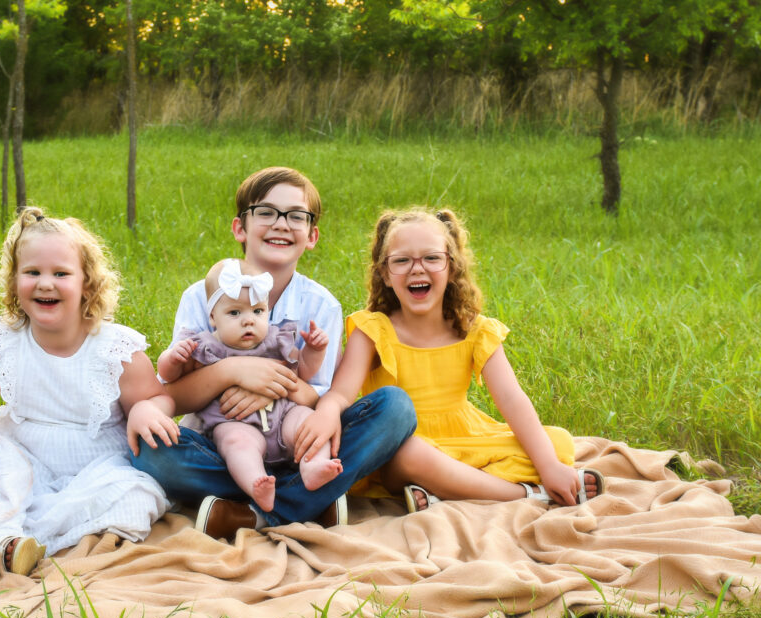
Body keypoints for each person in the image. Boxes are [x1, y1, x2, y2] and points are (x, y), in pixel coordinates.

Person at [129, 166, 416, 540]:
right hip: (225, 446)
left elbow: (318, 400)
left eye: (296, 216)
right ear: (240, 228)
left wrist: (273, 385)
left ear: (311, 236)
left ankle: (251, 513)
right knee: (150, 450)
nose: (281, 224)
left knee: (395, 408)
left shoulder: (319, 305)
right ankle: (309, 500)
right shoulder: (200, 296)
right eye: (266, 212)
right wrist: (231, 372)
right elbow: (173, 396)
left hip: (297, 440)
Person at [0, 207, 178, 575]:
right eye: (32, 272)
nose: (45, 283)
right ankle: (9, 542)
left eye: (61, 273)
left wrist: (145, 410)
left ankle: (80, 540)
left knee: (133, 494)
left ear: (87, 282)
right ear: (14, 281)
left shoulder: (114, 349)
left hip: (96, 464)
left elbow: (157, 397)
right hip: (24, 454)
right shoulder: (3, 340)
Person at [295, 207, 606, 512]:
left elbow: (512, 399)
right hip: (404, 448)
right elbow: (342, 392)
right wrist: (328, 411)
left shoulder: (475, 330)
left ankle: (443, 492)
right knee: (410, 453)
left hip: (466, 439)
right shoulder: (372, 329)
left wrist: (549, 464)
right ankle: (524, 496)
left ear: (452, 268)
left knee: (558, 442)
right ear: (385, 275)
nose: (417, 269)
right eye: (402, 261)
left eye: (431, 258)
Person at [157, 257, 343, 513]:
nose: (249, 321)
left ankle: (312, 468)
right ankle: (257, 483)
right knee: (235, 443)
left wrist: (314, 350)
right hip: (235, 421)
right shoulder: (206, 346)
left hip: (283, 415)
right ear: (213, 317)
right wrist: (172, 358)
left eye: (258, 311)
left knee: (308, 422)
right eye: (234, 313)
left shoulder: (277, 338)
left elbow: (305, 372)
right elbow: (169, 377)